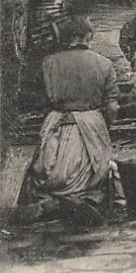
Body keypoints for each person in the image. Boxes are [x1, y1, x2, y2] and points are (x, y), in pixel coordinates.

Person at [26, 16, 118, 227]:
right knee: (96, 166)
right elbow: (113, 106)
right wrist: (105, 128)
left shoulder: (48, 63)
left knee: (47, 168)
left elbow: (38, 100)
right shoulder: (104, 64)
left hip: (56, 122)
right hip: (90, 122)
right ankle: (86, 198)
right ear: (81, 37)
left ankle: (52, 201)